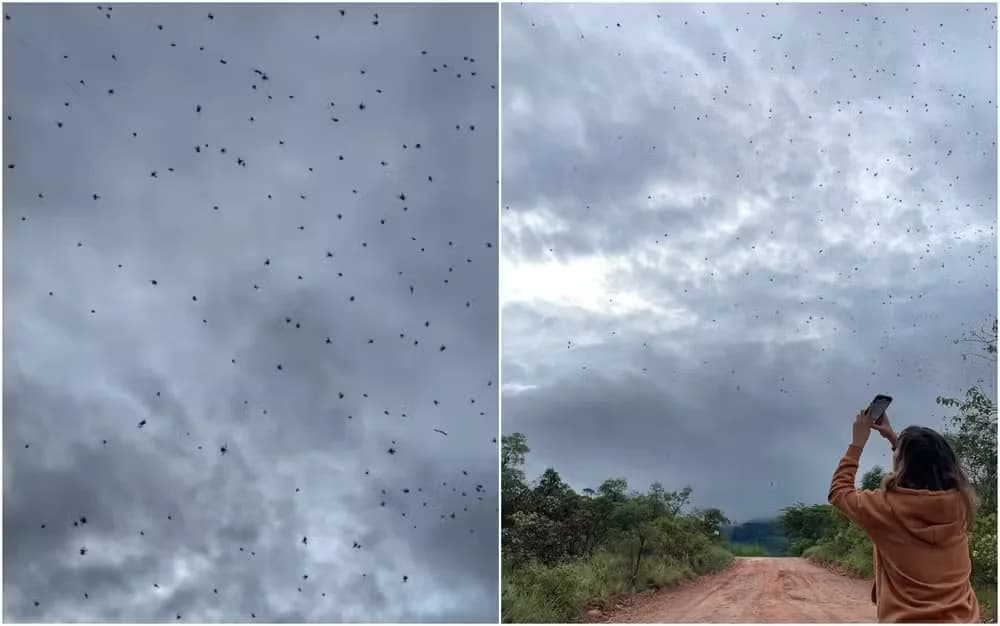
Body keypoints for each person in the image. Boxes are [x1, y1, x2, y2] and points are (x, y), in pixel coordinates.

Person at [828, 409, 980, 623]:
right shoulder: (961, 503)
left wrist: (857, 443)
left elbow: (839, 492)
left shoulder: (886, 508)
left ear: (903, 465)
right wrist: (894, 439)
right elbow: (923, 468)